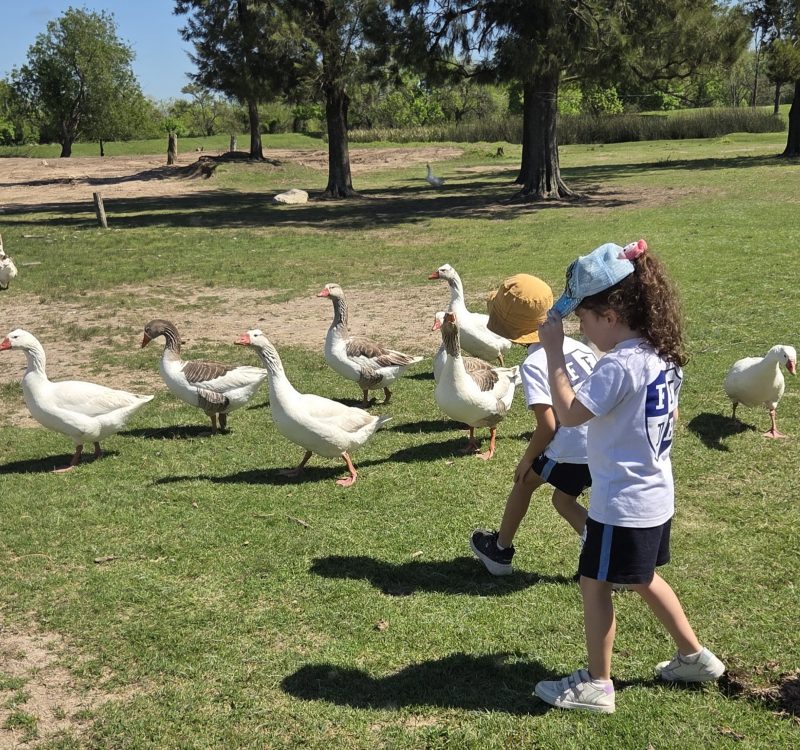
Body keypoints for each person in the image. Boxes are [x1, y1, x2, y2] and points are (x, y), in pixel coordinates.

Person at [533, 240, 725, 714]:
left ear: (611, 315)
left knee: (593, 582)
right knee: (642, 577)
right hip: (655, 496)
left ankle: (598, 685)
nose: (580, 327)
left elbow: (568, 414)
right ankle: (694, 657)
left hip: (620, 503)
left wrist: (553, 353)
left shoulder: (619, 365)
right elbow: (669, 414)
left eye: (583, 318)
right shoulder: (661, 353)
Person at [469, 274, 597, 575]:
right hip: (601, 443)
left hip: (572, 449)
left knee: (524, 481)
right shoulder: (581, 348)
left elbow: (548, 425)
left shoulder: (535, 362)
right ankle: (602, 549)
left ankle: (500, 552)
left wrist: (527, 459)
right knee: (563, 499)